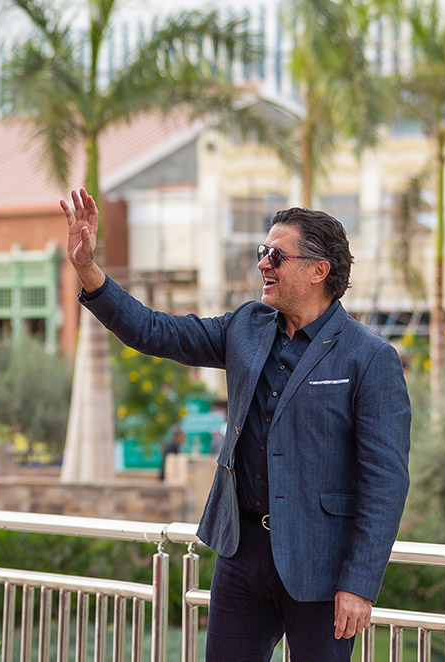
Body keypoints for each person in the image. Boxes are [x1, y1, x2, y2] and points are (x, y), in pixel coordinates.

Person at [60, 188, 410, 661]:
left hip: (321, 569)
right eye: (263, 252)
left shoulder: (369, 358)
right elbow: (153, 331)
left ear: (318, 270)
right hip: (241, 555)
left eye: (276, 255)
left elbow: (385, 482)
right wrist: (88, 269)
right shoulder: (247, 326)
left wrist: (360, 584)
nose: (263, 263)